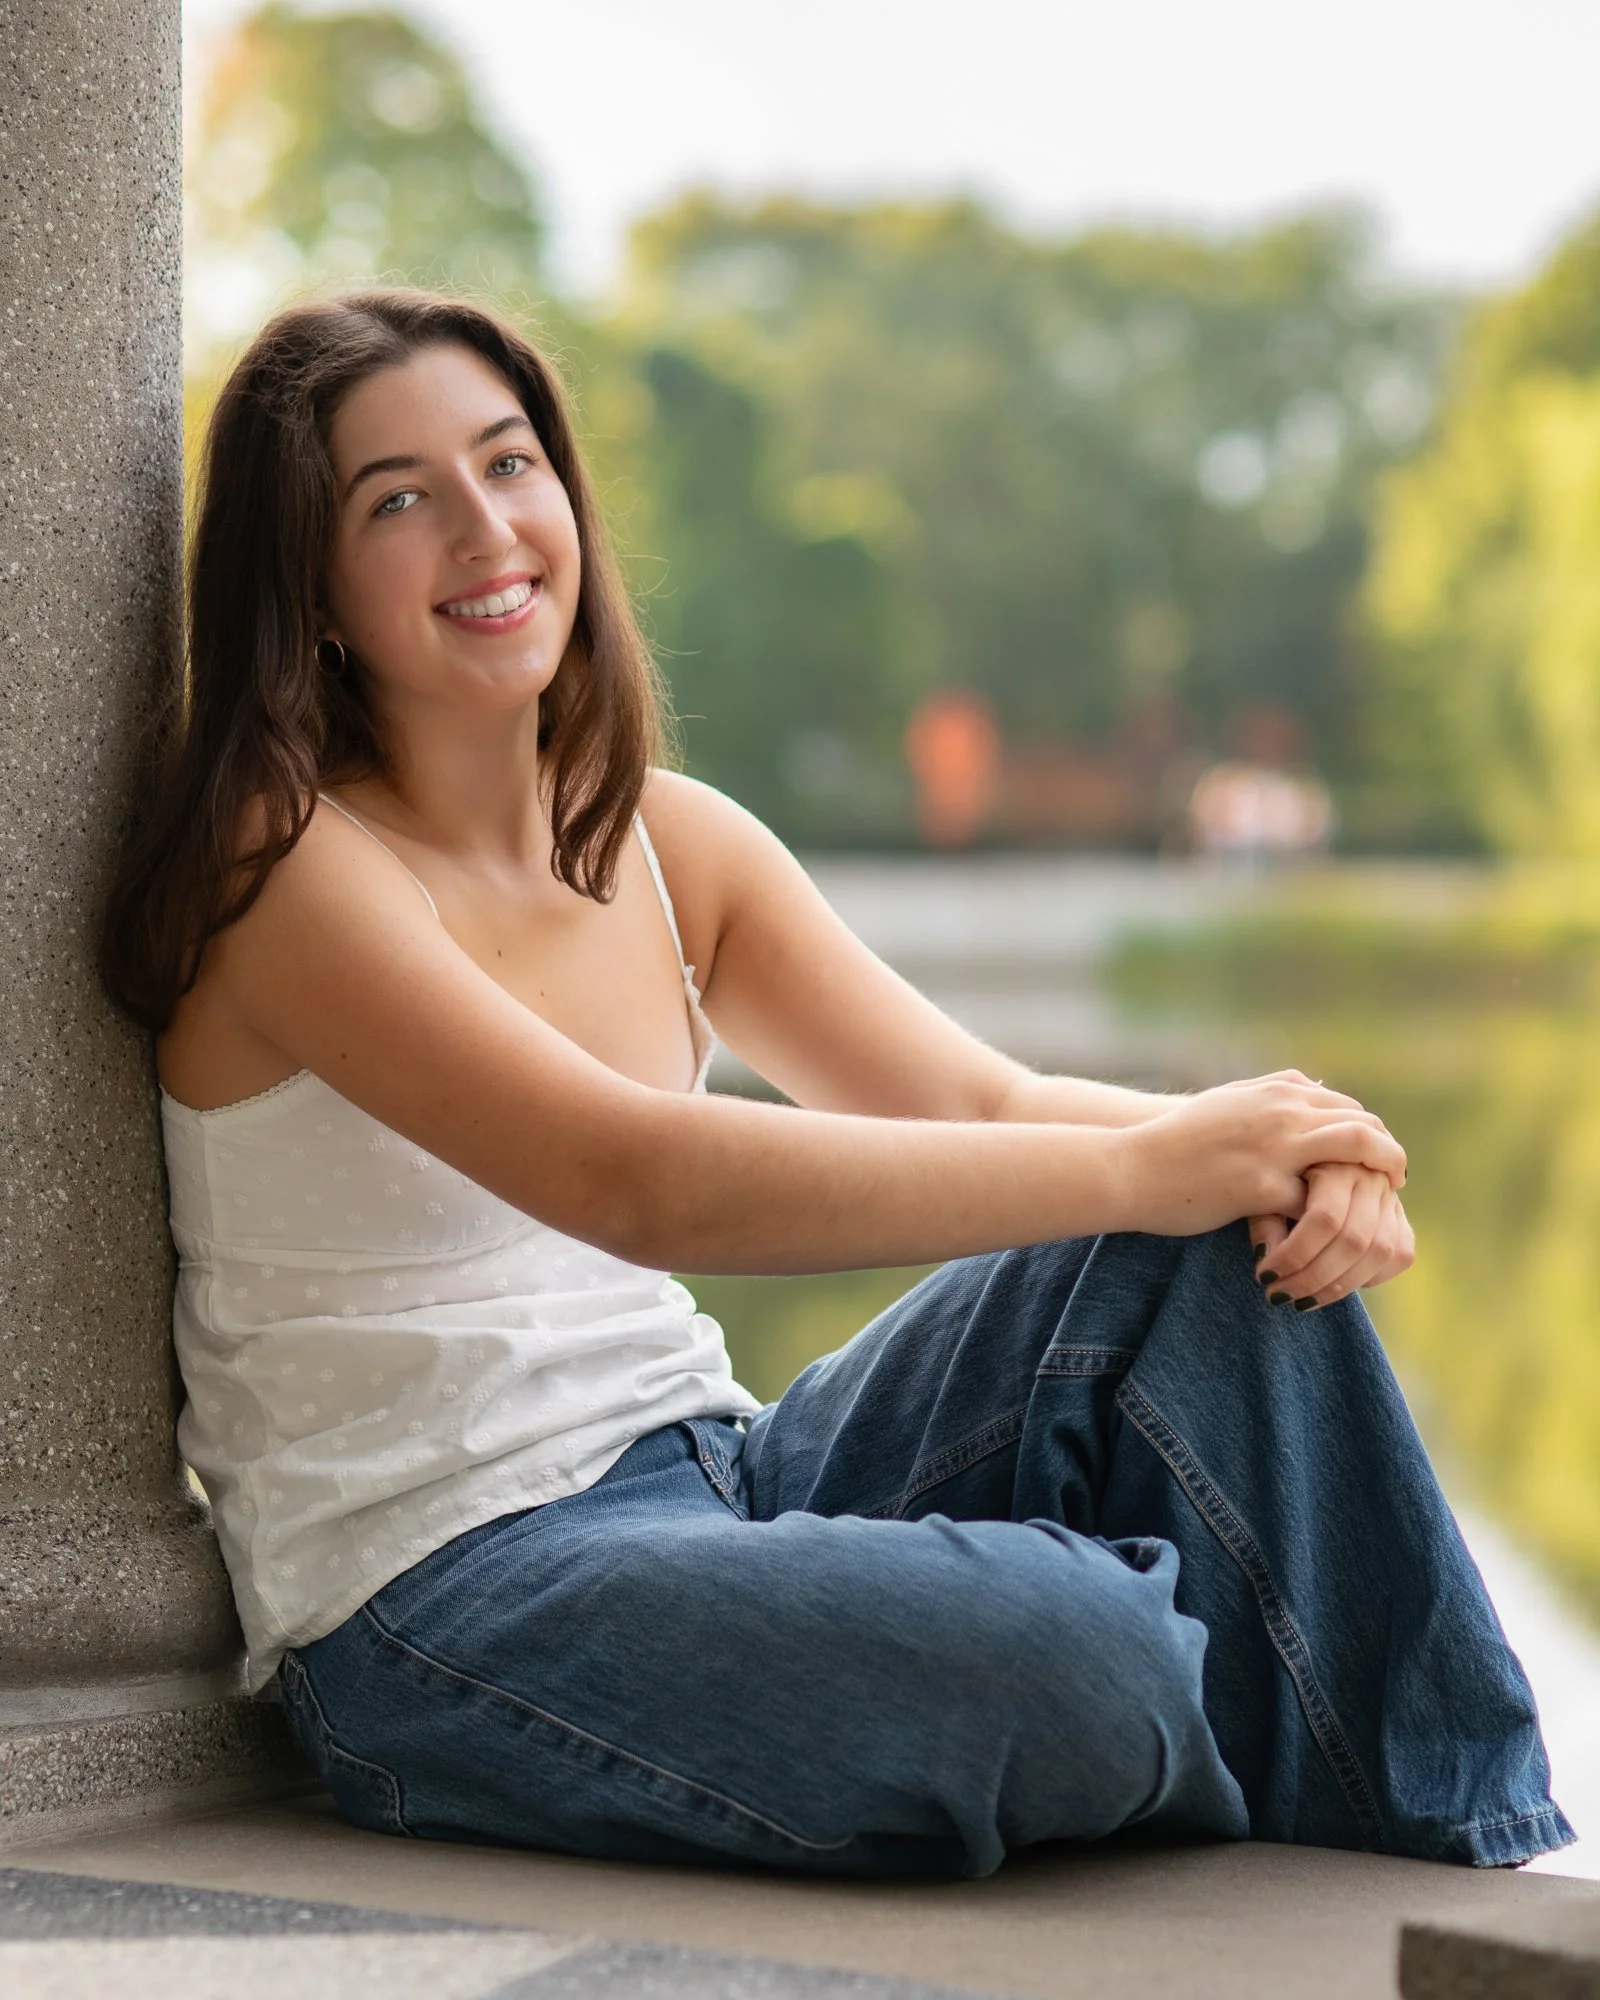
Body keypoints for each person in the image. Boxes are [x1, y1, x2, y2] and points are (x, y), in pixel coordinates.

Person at [103, 289, 1571, 1877]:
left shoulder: (670, 841)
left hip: (727, 1468)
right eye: (399, 500)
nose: (484, 529)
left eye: (509, 463)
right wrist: (1158, 1162)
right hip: (447, 1592)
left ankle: (1480, 1869)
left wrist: (1286, 1151)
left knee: (1214, 1258)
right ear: (309, 580)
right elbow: (634, 1175)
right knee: (1096, 1664)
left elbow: (984, 1109)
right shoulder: (288, 861)